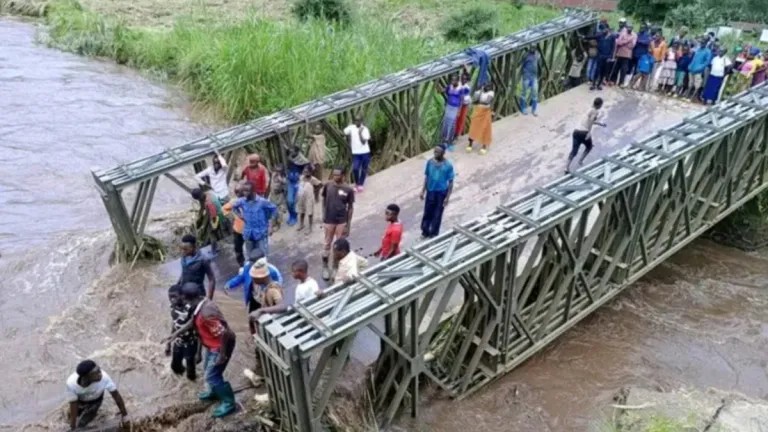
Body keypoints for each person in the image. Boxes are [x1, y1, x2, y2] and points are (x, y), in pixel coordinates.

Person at [170, 283, 237, 418]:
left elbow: (224, 334)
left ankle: (229, 402)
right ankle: (213, 392)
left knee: (211, 376)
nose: (183, 301)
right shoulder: (200, 305)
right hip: (212, 345)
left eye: (183, 298)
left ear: (188, 298)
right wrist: (176, 333)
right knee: (208, 369)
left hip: (219, 347)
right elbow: (193, 323)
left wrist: (222, 355)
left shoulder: (207, 312)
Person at [66, 360, 128, 430]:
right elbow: (73, 404)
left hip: (96, 401)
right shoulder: (71, 383)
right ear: (86, 377)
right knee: (72, 418)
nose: (100, 373)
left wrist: (125, 415)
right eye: (96, 372)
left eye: (99, 369)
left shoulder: (104, 378)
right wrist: (72, 426)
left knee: (82, 424)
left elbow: (116, 396)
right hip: (81, 401)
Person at [321, 167, 355, 281]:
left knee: (339, 246)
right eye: (334, 174)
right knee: (326, 244)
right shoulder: (328, 185)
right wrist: (323, 214)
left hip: (341, 221)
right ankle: (325, 266)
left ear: (343, 175)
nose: (335, 177)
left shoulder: (348, 189)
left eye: (337, 175)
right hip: (329, 220)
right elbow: (324, 199)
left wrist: (348, 224)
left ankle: (335, 267)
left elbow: (350, 208)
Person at [231, 181, 277, 258]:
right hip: (248, 233)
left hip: (261, 233)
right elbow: (234, 207)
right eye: (244, 191)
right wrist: (240, 216)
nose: (245, 193)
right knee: (249, 257)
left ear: (253, 191)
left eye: (247, 191)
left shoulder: (262, 202)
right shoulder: (242, 201)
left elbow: (274, 209)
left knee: (263, 255)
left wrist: (270, 225)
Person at [420, 145, 454, 239]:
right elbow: (427, 177)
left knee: (437, 214)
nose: (435, 153)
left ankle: (433, 234)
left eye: (437, 152)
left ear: (443, 153)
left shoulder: (448, 166)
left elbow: (451, 182)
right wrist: (423, 191)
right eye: (434, 151)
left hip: (441, 193)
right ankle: (425, 232)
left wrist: (447, 197)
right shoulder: (430, 162)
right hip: (430, 191)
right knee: (427, 212)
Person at [165, 284, 198, 381]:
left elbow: (197, 328)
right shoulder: (173, 308)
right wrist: (168, 344)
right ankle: (181, 386)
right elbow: (174, 324)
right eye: (170, 297)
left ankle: (192, 386)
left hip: (190, 343)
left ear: (182, 296)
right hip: (178, 342)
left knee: (190, 373)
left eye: (174, 296)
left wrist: (199, 352)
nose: (172, 299)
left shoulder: (190, 308)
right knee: (175, 367)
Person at [566, 97, 606, 173]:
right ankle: (580, 161)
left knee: (574, 151)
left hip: (576, 131)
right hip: (584, 132)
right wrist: (589, 132)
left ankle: (566, 167)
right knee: (589, 146)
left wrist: (600, 124)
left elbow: (589, 121)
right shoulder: (595, 111)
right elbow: (591, 121)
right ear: (599, 105)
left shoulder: (589, 109)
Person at [178, 234, 215, 299]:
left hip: (198, 294)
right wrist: (177, 286)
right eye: (182, 249)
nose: (183, 251)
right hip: (184, 293)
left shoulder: (203, 260)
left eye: (185, 249)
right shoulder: (183, 257)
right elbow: (183, 272)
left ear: (194, 247)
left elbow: (211, 279)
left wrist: (209, 298)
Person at [191, 188, 225, 254]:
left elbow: (213, 215)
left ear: (199, 197)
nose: (198, 200)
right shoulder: (207, 194)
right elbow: (202, 206)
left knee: (212, 234)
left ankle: (214, 250)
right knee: (216, 231)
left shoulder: (209, 202)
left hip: (217, 216)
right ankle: (218, 244)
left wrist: (212, 225)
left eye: (198, 199)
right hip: (219, 214)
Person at [438, 74, 467, 149]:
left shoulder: (461, 89)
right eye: (452, 80)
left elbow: (461, 100)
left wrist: (459, 111)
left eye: (454, 80)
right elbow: (444, 90)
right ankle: (444, 139)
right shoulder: (450, 86)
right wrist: (438, 87)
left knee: (451, 123)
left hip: (455, 108)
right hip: (448, 106)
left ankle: (449, 140)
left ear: (457, 81)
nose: (452, 81)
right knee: (446, 122)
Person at [344, 115, 371, 192]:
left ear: (362, 121)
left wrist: (359, 133)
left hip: (365, 152)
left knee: (364, 169)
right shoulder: (351, 127)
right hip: (356, 153)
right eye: (355, 120)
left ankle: (361, 184)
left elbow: (363, 142)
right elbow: (344, 132)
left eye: (358, 121)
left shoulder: (365, 129)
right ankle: (357, 183)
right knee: (355, 168)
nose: (357, 122)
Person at [584, 25, 616, 90]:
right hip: (600, 56)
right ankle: (593, 84)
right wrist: (585, 37)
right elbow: (592, 37)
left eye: (605, 29)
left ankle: (599, 84)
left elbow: (613, 47)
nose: (603, 31)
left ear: (608, 29)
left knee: (603, 71)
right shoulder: (600, 35)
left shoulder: (612, 37)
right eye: (603, 30)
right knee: (597, 70)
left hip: (607, 57)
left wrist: (611, 57)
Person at [222, 182, 247, 267]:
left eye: (239, 191)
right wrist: (232, 217)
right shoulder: (234, 201)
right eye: (236, 192)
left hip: (249, 229)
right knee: (238, 248)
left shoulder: (250, 200)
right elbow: (224, 209)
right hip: (238, 230)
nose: (237, 193)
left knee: (252, 247)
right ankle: (241, 264)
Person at [466, 83, 494, 154]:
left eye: (489, 87)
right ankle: (470, 144)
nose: (487, 88)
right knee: (473, 127)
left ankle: (484, 146)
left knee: (485, 128)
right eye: (486, 86)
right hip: (478, 111)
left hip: (485, 112)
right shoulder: (480, 91)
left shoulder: (491, 93)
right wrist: (478, 91)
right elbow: (475, 99)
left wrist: (477, 101)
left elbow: (487, 101)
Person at [297, 165, 322, 233]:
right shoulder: (301, 177)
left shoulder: (313, 179)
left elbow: (320, 184)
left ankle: (310, 228)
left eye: (307, 171)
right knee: (302, 211)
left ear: (311, 172)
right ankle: (301, 224)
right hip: (301, 197)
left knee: (309, 212)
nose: (306, 173)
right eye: (304, 171)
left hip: (309, 198)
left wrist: (315, 190)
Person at [520, 47, 539, 116]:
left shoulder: (537, 55)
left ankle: (534, 110)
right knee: (524, 93)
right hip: (527, 76)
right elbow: (522, 64)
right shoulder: (525, 55)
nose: (533, 49)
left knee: (535, 93)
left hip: (534, 77)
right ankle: (523, 109)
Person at [454, 70, 473, 138]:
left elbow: (462, 98)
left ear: (466, 80)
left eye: (465, 79)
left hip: (464, 104)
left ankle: (457, 134)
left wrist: (466, 68)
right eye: (462, 78)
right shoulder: (458, 84)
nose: (463, 80)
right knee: (456, 119)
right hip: (458, 103)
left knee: (461, 119)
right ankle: (454, 133)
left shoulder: (466, 87)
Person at [269, 164, 287, 231]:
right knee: (272, 210)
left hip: (280, 196)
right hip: (273, 195)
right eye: (277, 170)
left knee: (279, 211)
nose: (278, 172)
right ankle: (273, 224)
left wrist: (280, 179)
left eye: (279, 171)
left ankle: (278, 225)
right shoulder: (273, 175)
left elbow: (285, 182)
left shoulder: (283, 178)